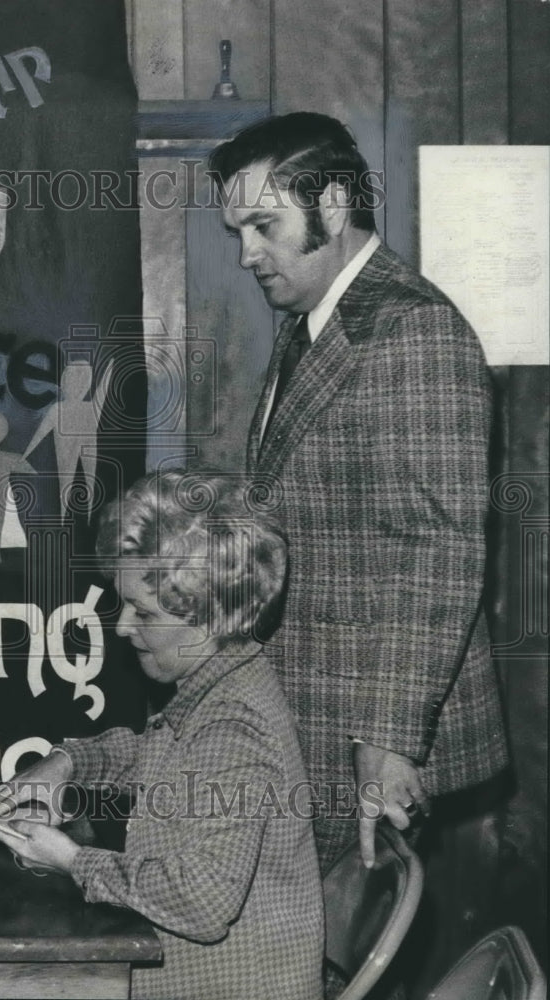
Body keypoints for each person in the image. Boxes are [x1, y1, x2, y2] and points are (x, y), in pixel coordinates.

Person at [208, 112, 508, 872]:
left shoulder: (413, 330)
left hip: (365, 725)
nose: (247, 254)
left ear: (333, 206)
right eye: (237, 231)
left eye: (263, 226)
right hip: (314, 705)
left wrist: (386, 738)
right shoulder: (319, 319)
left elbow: (437, 551)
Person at [0, 470, 324, 1000]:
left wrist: (71, 859)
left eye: (142, 611)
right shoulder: (225, 679)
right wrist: (67, 763)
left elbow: (203, 903)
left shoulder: (234, 724)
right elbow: (154, 752)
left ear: (212, 616)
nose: (121, 627)